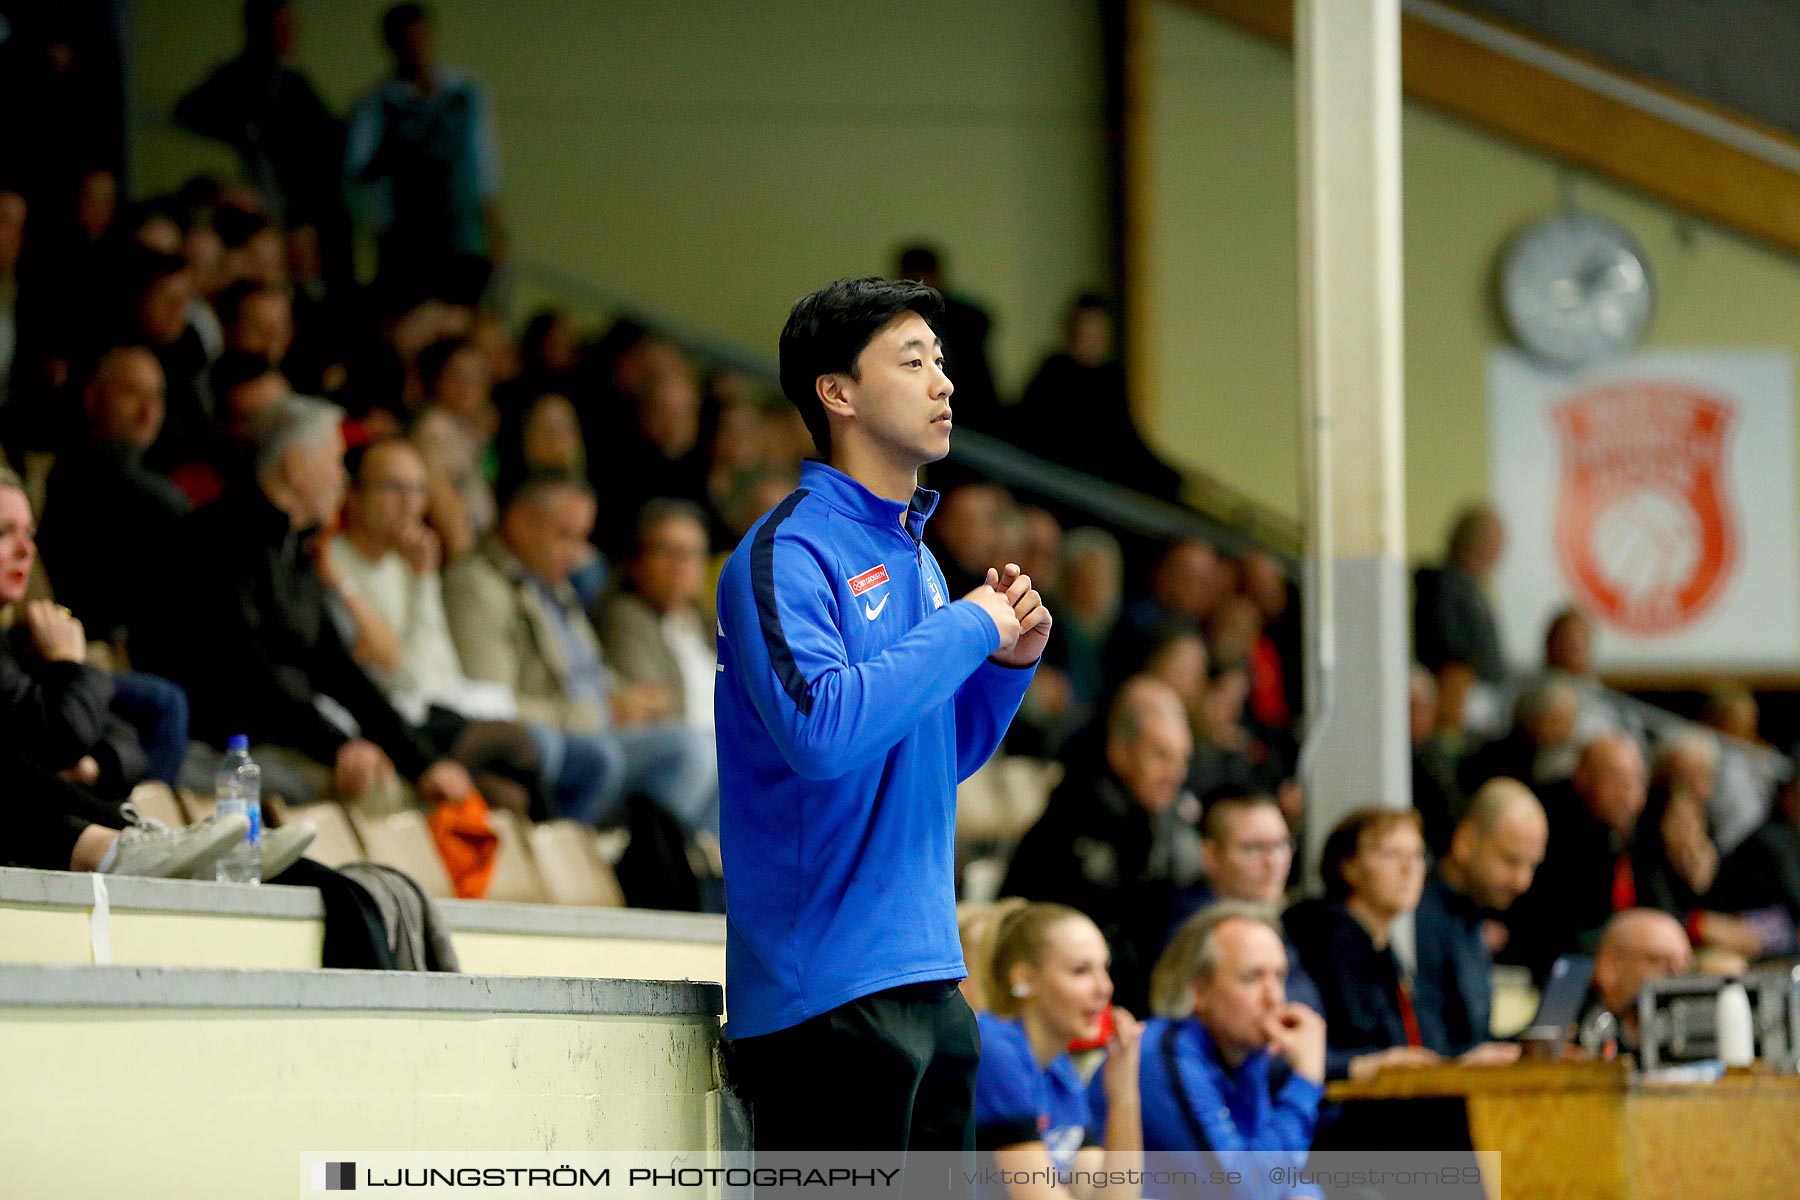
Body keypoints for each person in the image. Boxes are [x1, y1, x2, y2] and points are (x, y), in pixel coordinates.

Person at [714, 277, 1046, 1152]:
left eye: (941, 363)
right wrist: (972, 625)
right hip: (823, 995)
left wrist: (1003, 668)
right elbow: (822, 734)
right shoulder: (786, 550)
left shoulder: (921, 559)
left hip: (932, 979)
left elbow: (932, 754)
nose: (943, 383)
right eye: (913, 362)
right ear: (838, 393)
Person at [133, 393, 476, 811]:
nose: (342, 479)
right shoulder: (220, 542)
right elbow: (252, 680)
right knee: (381, 793)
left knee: (422, 785)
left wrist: (425, 763)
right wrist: (340, 747)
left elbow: (342, 672)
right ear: (295, 466)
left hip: (283, 736)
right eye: (334, 463)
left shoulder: (292, 550)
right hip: (222, 747)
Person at [445, 472, 715, 833]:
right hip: (561, 743)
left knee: (729, 760)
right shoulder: (478, 586)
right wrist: (601, 711)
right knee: (688, 750)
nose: (577, 553)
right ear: (521, 523)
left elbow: (595, 675)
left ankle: (694, 874)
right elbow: (493, 705)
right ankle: (643, 865)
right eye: (565, 536)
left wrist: (628, 701)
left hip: (594, 731)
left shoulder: (556, 590)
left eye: (582, 538)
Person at [325, 438, 540, 818]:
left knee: (509, 798)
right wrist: (424, 584)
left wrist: (422, 580)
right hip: (382, 723)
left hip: (427, 718)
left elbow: (441, 669)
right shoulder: (332, 565)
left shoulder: (404, 565)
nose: (410, 504)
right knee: (523, 744)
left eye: (419, 490)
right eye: (393, 488)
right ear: (353, 495)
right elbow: (409, 678)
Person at [1002, 678, 1200, 1016]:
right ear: (1120, 752)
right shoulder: (1069, 825)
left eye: (1183, 758)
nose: (1176, 773)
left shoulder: (1170, 820)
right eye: (1161, 755)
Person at [1135, 903, 1325, 1192]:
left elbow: (1272, 1164)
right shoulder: (1161, 1053)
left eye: (1280, 977)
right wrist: (1307, 1081)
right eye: (1252, 978)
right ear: (1198, 992)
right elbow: (1242, 1188)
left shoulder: (1244, 1050)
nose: (1274, 997)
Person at [975, 903, 1143, 1196]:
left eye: (1104, 968)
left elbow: (1111, 1195)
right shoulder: (994, 1048)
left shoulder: (1058, 1067)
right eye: (1081, 971)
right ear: (1025, 979)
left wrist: (1123, 1094)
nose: (1104, 988)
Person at [344, 3, 504, 300]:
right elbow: (358, 176)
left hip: (462, 237)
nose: (415, 49)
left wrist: (496, 234)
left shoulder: (466, 95)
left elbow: (485, 170)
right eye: (405, 42)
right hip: (407, 243)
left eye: (419, 39)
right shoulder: (374, 106)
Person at [36, 345, 192, 643]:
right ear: (93, 398)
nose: (149, 411)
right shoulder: (83, 472)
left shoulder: (150, 481)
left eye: (158, 396)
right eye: (133, 393)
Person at [1284, 809, 1445, 1081]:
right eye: (1392, 854)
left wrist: (1462, 1061)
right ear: (1348, 867)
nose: (1409, 869)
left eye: (1417, 855)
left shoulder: (1383, 951)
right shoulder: (1325, 942)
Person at [1413, 778, 1547, 1058]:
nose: (1522, 881)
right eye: (1510, 861)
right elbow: (1433, 1053)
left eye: (1531, 865)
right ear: (1466, 842)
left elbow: (1476, 1039)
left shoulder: (1473, 919)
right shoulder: (1420, 918)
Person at [1503, 735, 1649, 982]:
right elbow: (1553, 925)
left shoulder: (1633, 829)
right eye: (1615, 778)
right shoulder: (1552, 824)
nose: (1627, 791)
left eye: (1635, 779)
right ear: (1582, 777)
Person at [594, 499, 715, 731]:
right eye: (667, 551)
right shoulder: (625, 616)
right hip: (685, 749)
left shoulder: (704, 621)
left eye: (692, 553)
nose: (681, 565)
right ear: (638, 559)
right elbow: (653, 708)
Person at [1414, 504, 1507, 688]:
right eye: (1496, 544)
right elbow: (1451, 649)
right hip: (1457, 695)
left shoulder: (1469, 588)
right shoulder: (1443, 588)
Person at [1575, 908, 1692, 1055]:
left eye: (1683, 965)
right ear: (1609, 964)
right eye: (1657, 961)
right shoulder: (1573, 1029)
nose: (1676, 976)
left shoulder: (1680, 1039)